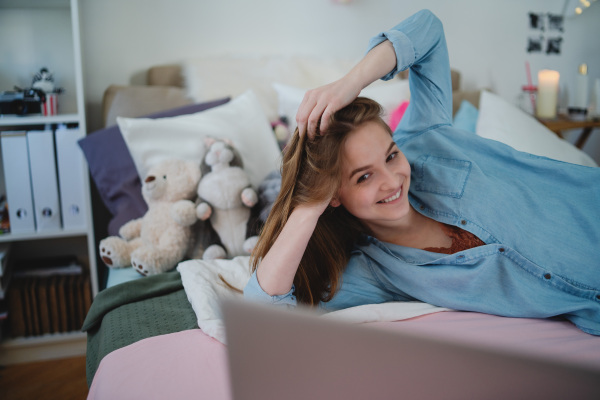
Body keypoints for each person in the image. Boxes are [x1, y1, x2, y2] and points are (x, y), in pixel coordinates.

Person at [244, 9, 600, 335]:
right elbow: (261, 315)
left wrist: (352, 83)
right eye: (363, 177)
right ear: (333, 195)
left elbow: (428, 28)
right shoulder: (372, 273)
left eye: (391, 156)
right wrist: (308, 206)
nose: (392, 180)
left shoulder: (426, 135)